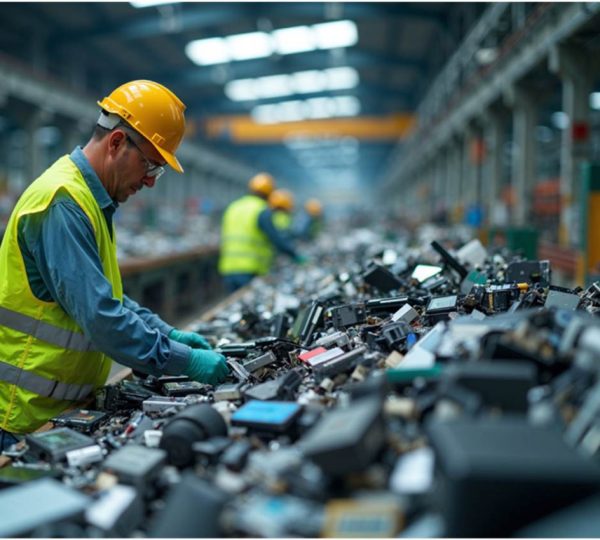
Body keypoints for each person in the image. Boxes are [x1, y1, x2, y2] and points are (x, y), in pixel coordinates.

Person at [0, 80, 228, 449]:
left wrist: (167, 334)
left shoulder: (91, 200)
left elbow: (107, 296)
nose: (151, 182)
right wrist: (185, 361)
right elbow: (102, 318)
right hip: (23, 420)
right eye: (150, 165)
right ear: (117, 143)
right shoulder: (63, 203)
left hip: (61, 408)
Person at [218, 173, 304, 292]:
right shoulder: (261, 210)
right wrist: (295, 255)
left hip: (228, 267)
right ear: (269, 194)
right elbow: (276, 238)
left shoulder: (233, 207)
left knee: (234, 305)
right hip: (251, 268)